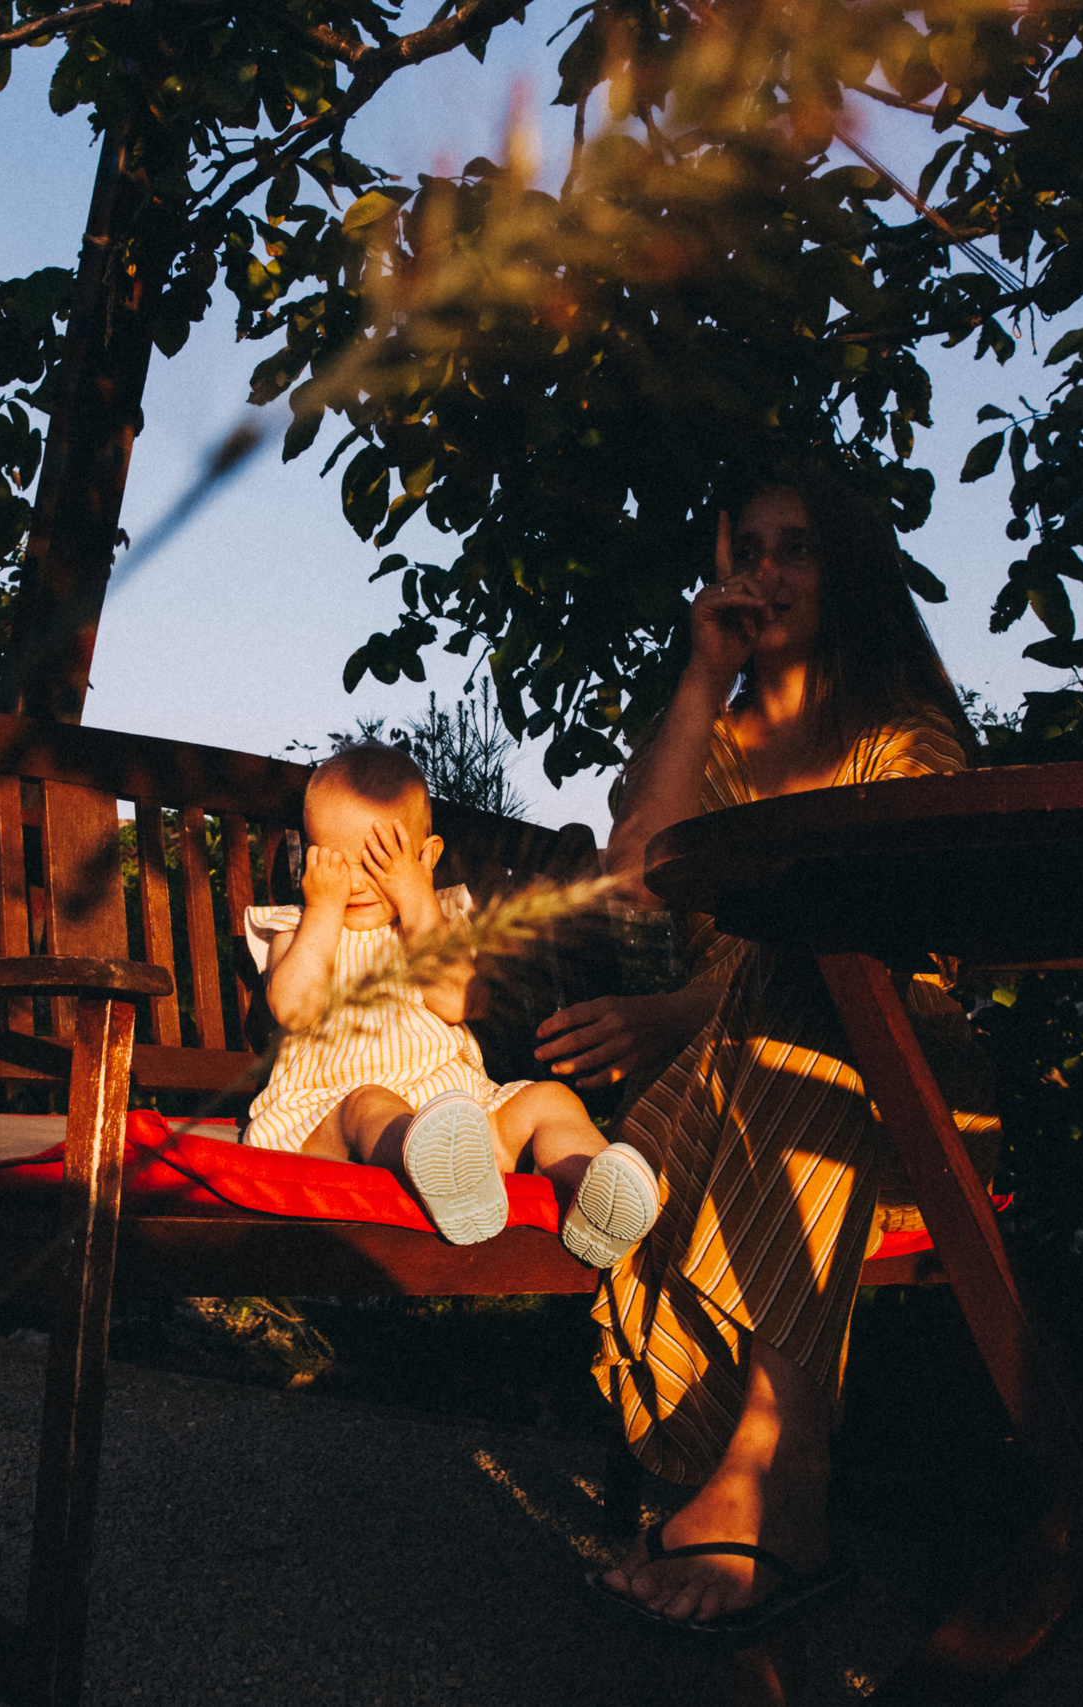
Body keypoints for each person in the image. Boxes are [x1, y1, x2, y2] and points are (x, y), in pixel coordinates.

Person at [534, 466, 990, 1641]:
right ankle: (779, 1487)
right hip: (733, 1095)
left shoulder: (899, 735)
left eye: (797, 549)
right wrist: (702, 675)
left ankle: (765, 1477)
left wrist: (682, 1012)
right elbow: (637, 881)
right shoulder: (721, 739)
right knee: (762, 1014)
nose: (767, 574)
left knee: (814, 939)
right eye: (749, 549)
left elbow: (901, 939)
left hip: (900, 1087)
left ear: (843, 571)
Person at [243, 742, 661, 1268]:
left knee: (549, 1100)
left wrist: (416, 898)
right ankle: (442, 1176)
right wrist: (322, 909)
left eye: (380, 861)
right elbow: (295, 1008)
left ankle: (593, 1192)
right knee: (369, 1102)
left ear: (426, 858)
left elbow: (458, 999)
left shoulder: (438, 925)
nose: (355, 881)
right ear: (311, 858)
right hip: (333, 1124)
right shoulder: (299, 930)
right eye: (335, 862)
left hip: (463, 1125)